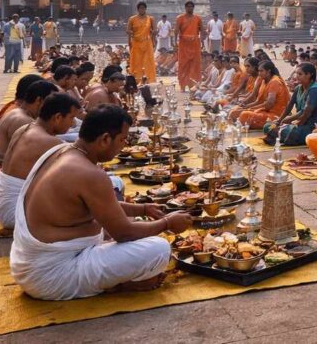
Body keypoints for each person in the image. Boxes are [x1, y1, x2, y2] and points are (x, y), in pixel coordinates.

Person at [10, 105, 192, 300]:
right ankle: (121, 284)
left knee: (111, 228)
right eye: (122, 140)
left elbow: (102, 206)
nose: (123, 145)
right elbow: (124, 233)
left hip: (31, 267)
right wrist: (168, 223)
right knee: (159, 249)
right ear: (105, 139)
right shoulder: (89, 174)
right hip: (52, 277)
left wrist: (143, 208)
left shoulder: (60, 151)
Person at [0, 93, 82, 229]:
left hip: (2, 207)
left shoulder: (25, 129)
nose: (72, 123)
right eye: (71, 118)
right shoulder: (50, 142)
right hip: (16, 213)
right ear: (58, 117)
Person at [266, 62, 317, 146]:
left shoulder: (315, 90)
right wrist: (279, 121)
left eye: (300, 74)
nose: (296, 76)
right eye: (296, 73)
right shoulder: (299, 88)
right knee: (269, 126)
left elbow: (306, 112)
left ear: (309, 75)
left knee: (286, 131)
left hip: (316, 125)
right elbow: (289, 106)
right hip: (303, 120)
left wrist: (295, 124)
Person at [238, 60, 290, 129]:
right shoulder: (264, 80)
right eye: (259, 71)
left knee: (244, 115)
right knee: (239, 111)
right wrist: (248, 107)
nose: (259, 73)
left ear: (268, 71)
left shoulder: (274, 81)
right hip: (266, 111)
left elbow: (269, 104)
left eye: (261, 71)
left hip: (276, 115)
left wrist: (252, 108)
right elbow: (259, 101)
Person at [174, 1, 203, 90]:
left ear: (193, 8)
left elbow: (202, 30)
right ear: (185, 8)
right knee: (183, 64)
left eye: (191, 7)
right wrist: (175, 42)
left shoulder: (198, 18)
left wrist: (201, 41)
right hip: (184, 44)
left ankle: (193, 85)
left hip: (195, 43)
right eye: (188, 7)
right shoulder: (180, 18)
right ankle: (183, 85)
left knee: (195, 64)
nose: (189, 8)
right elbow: (176, 30)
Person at [127, 2, 157, 83]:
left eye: (143, 8)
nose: (142, 10)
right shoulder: (132, 19)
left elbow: (155, 30)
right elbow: (128, 30)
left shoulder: (150, 19)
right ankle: (136, 79)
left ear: (145, 9)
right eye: (140, 8)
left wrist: (154, 33)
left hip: (147, 42)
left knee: (149, 61)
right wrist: (130, 37)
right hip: (136, 43)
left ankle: (150, 79)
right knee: (136, 61)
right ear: (138, 9)